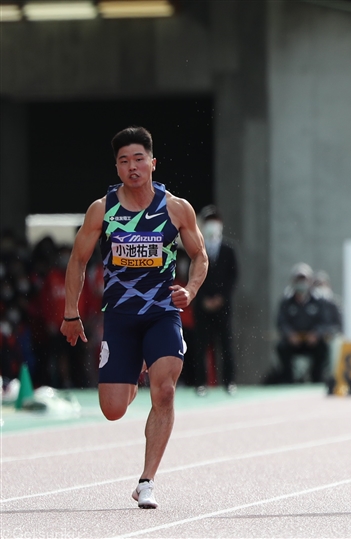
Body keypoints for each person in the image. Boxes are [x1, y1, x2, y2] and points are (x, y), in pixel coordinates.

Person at [60, 126, 208, 508]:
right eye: (124, 161)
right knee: (112, 410)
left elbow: (201, 257)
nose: (132, 167)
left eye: (139, 159)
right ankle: (138, 363)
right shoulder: (103, 209)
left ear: (153, 163)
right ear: (117, 167)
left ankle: (147, 481)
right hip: (121, 317)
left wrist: (189, 291)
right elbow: (78, 260)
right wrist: (71, 312)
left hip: (162, 312)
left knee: (165, 390)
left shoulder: (176, 208)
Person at [192, 205, 238, 396]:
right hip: (201, 306)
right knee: (200, 345)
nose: (212, 225)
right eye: (208, 221)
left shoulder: (228, 250)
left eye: (215, 220)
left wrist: (221, 298)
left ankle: (229, 382)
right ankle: (200, 383)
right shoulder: (196, 250)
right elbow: (191, 275)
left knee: (225, 344)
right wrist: (202, 298)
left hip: (223, 306)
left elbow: (233, 277)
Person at [275, 263, 330, 384]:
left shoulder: (318, 301)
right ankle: (288, 380)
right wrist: (290, 334)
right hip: (294, 341)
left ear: (310, 281)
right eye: (298, 279)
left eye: (304, 280)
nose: (301, 283)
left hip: (312, 341)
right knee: (281, 347)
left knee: (323, 349)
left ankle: (317, 379)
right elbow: (281, 322)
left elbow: (325, 321)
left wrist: (316, 333)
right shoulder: (286, 301)